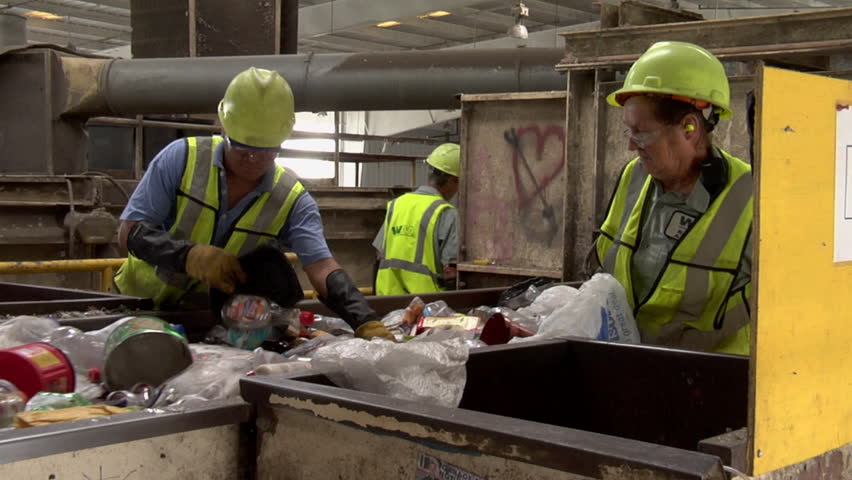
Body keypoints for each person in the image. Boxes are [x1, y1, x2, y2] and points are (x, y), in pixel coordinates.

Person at [114, 67, 393, 341]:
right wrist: (187, 256)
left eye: (265, 151)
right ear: (224, 128)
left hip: (210, 323)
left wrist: (365, 320)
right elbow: (128, 234)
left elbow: (322, 268)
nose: (253, 160)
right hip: (134, 310)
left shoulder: (292, 199)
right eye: (243, 149)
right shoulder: (183, 159)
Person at [589, 41, 752, 355]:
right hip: (626, 366)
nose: (631, 147)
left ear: (689, 127)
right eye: (629, 131)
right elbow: (605, 266)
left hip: (712, 382)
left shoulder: (750, 195)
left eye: (642, 132)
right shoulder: (634, 177)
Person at [373, 143, 460, 295]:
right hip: (426, 305)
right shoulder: (446, 212)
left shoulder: (397, 204)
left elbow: (379, 254)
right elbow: (450, 271)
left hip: (386, 301)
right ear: (452, 180)